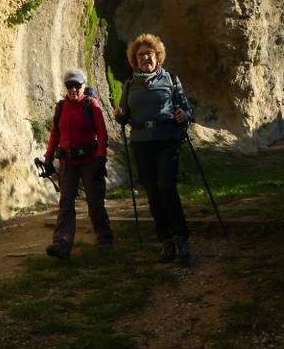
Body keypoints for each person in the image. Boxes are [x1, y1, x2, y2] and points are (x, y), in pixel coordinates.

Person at [113, 33, 192, 264]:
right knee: (153, 193)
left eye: (149, 54)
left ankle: (181, 239)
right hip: (141, 143)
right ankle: (165, 242)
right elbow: (124, 113)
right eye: (140, 55)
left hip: (167, 139)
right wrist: (120, 116)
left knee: (166, 187)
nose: (145, 58)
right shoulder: (130, 85)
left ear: (158, 57)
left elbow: (187, 110)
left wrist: (183, 115)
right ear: (134, 60)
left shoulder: (170, 80)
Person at [42, 69, 113, 260]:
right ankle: (62, 244)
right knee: (66, 203)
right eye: (69, 85)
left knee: (95, 201)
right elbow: (55, 134)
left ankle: (104, 238)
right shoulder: (61, 107)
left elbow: (102, 133)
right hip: (68, 162)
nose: (73, 89)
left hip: (90, 161)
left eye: (77, 85)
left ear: (83, 85)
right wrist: (48, 158)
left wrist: (101, 158)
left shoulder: (91, 104)